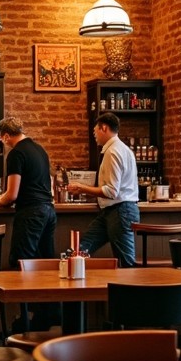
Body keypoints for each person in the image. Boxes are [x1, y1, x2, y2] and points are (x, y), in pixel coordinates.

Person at [0, 117, 59, 329]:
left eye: (2, 139)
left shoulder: (16, 154)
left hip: (31, 213)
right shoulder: (39, 150)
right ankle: (46, 317)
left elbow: (12, 194)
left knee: (22, 263)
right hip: (48, 211)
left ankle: (28, 320)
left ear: (5, 135)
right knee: (45, 264)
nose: (4, 143)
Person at [65, 113, 139, 267]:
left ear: (104, 128)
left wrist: (82, 188)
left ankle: (132, 290)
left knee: (126, 263)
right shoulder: (124, 150)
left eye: (95, 131)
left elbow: (112, 191)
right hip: (112, 211)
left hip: (120, 211)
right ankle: (72, 280)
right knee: (79, 250)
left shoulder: (113, 152)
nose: (94, 136)